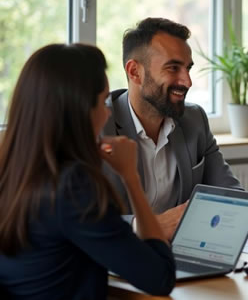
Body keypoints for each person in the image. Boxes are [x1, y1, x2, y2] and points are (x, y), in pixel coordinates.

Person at [0, 44, 175, 299]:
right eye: (103, 101)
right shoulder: (72, 187)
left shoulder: (14, 171)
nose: (106, 114)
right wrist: (131, 177)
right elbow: (160, 277)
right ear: (78, 109)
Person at [103, 17, 243, 239]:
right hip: (117, 261)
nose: (187, 81)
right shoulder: (98, 126)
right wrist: (150, 225)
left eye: (187, 69)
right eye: (173, 68)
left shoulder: (194, 119)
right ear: (134, 72)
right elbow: (82, 221)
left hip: (180, 254)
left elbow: (233, 198)